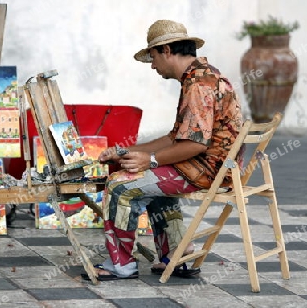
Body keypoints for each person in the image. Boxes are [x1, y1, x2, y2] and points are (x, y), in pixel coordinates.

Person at [82, 19, 243, 281]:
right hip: (212, 166)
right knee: (148, 182)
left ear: (167, 50)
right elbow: (175, 138)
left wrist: (152, 160)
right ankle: (177, 257)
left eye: (153, 57)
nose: (153, 65)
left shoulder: (198, 85)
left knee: (120, 185)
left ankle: (120, 265)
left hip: (208, 170)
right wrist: (126, 151)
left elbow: (195, 144)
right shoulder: (201, 75)